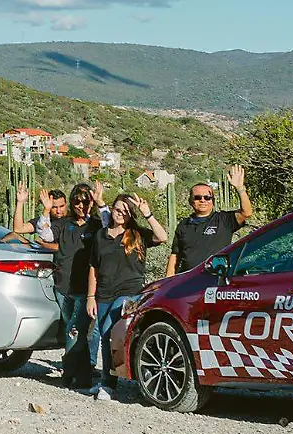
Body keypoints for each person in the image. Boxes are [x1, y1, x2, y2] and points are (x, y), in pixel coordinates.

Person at [86, 192, 167, 399]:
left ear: (131, 215)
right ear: (111, 209)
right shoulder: (101, 236)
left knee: (109, 331)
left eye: (125, 211)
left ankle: (110, 384)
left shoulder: (137, 234)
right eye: (118, 209)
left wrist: (147, 214)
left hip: (129, 293)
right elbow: (94, 267)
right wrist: (90, 297)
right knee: (105, 338)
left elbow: (162, 237)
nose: (120, 214)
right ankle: (107, 381)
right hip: (104, 292)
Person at [31, 183, 98, 387]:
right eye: (76, 201)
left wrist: (100, 202)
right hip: (63, 286)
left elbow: (109, 223)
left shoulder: (96, 225)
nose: (81, 205)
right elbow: (45, 234)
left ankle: (71, 374)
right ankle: (80, 372)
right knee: (73, 328)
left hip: (85, 288)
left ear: (91, 202)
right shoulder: (64, 224)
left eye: (85, 201)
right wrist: (45, 209)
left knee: (75, 329)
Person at [165, 166, 254, 276]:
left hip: (216, 279)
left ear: (213, 201)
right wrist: (166, 282)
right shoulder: (183, 225)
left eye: (207, 197)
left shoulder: (224, 220)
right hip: (187, 281)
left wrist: (240, 189)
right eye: (197, 197)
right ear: (191, 201)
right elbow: (175, 255)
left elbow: (246, 213)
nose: (203, 200)